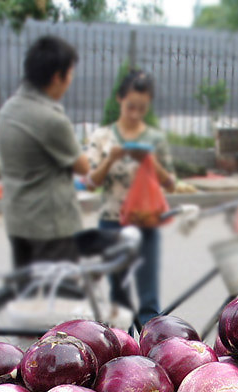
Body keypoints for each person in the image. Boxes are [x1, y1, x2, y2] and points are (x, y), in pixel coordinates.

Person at [86, 70, 175, 326]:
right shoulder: (103, 137)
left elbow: (169, 182)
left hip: (146, 222)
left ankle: (151, 352)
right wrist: (110, 159)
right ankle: (122, 352)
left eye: (142, 108)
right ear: (119, 100)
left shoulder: (154, 138)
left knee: (149, 301)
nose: (135, 113)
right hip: (112, 224)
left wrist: (150, 162)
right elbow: (92, 183)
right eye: (130, 106)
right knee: (119, 299)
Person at [0, 36, 90, 269]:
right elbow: (83, 166)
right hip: (50, 229)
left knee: (30, 300)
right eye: (69, 74)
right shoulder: (50, 119)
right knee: (62, 300)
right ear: (56, 77)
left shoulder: (9, 109)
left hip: (18, 222)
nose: (70, 80)